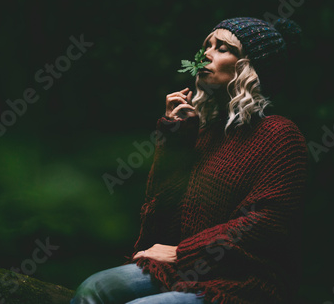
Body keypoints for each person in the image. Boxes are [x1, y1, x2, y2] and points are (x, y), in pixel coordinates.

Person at [71, 17, 308, 304]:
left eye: (222, 48)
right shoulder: (202, 131)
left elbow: (266, 223)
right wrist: (176, 138)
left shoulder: (280, 134)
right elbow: (160, 215)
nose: (206, 54)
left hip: (242, 282)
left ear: (250, 67)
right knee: (93, 289)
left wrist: (181, 252)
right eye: (207, 45)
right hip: (182, 271)